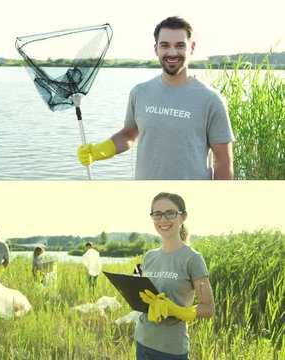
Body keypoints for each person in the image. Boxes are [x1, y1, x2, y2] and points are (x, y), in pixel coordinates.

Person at [77, 16, 234, 180]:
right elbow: (129, 134)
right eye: (165, 45)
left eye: (180, 46)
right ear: (156, 49)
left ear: (192, 47)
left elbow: (223, 161)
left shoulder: (211, 100)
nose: (172, 52)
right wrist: (100, 150)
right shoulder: (140, 92)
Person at [136, 192, 214, 359]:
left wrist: (178, 311)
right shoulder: (150, 256)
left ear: (183, 216)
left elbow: (208, 309)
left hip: (171, 350)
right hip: (142, 341)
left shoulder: (193, 259)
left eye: (170, 213)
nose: (163, 220)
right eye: (157, 214)